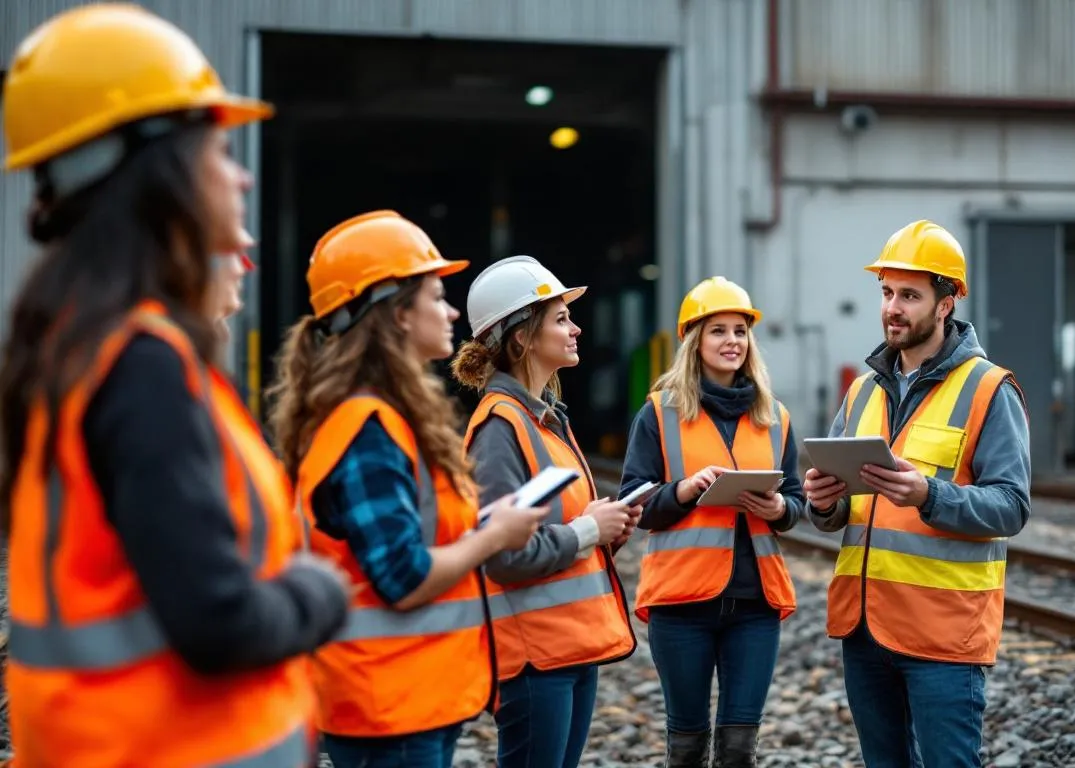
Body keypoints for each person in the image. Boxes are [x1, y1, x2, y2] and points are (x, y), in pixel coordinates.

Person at [0, 5, 350, 767]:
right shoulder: (140, 365)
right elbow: (218, 621)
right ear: (153, 172)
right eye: (219, 149)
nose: (242, 173)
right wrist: (321, 592)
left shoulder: (77, 344)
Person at [266, 210, 550, 768]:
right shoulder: (366, 431)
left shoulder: (387, 419)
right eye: (437, 296)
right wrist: (495, 536)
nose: (450, 312)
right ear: (397, 314)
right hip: (386, 707)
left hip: (409, 697)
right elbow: (403, 579)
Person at [803, 220, 1031, 768]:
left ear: (946, 302)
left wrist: (928, 494)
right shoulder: (862, 391)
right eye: (886, 293)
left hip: (942, 637)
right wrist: (824, 500)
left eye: (909, 295)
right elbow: (836, 516)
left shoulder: (988, 390)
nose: (893, 308)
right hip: (863, 629)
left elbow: (1012, 506)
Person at [450, 255, 640, 768]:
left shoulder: (544, 419)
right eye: (560, 318)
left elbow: (558, 528)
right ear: (522, 339)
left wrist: (607, 528)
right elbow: (502, 555)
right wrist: (585, 530)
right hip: (534, 659)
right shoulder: (499, 429)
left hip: (568, 649)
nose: (576, 328)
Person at [620, 276, 803, 768]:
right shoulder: (659, 413)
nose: (732, 342)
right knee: (687, 744)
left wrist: (780, 510)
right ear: (694, 341)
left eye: (740, 331)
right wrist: (684, 490)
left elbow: (797, 500)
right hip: (682, 605)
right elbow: (634, 505)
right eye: (718, 330)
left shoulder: (775, 416)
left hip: (754, 605)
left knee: (740, 749)